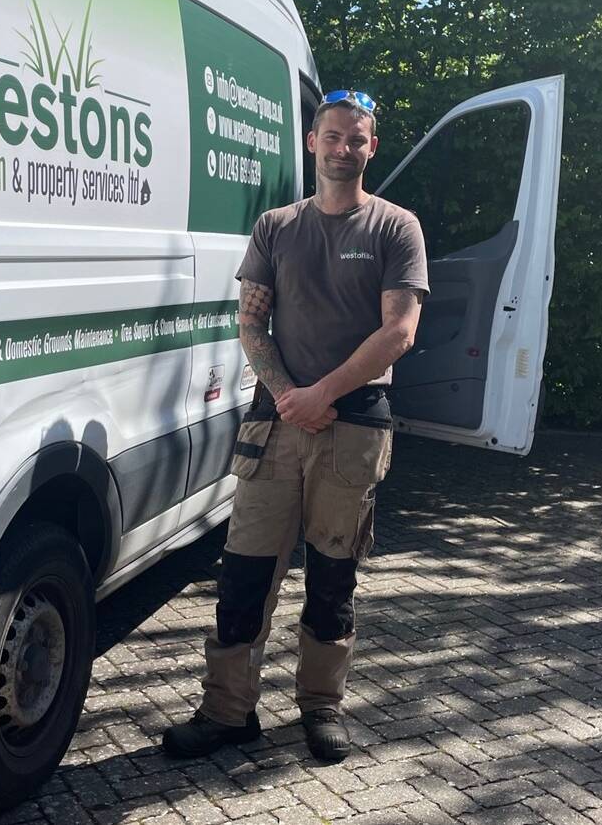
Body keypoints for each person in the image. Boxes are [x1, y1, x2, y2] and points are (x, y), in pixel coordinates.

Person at [162, 90, 429, 762]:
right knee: (244, 575)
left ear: (372, 147)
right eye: (332, 136)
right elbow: (249, 320)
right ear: (312, 143)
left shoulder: (396, 228)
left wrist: (323, 394)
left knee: (333, 579)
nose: (344, 148)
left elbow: (398, 331)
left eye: (357, 139)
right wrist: (288, 396)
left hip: (355, 426)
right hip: (274, 428)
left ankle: (321, 707)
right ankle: (227, 712)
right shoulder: (276, 226)